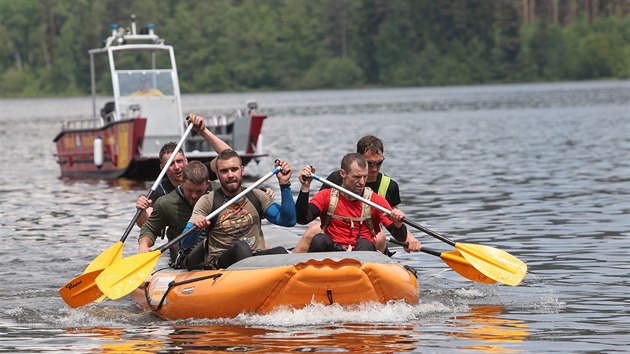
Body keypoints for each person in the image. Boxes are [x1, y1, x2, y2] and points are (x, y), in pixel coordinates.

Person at [293, 135, 421, 254]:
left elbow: (398, 233)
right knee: (319, 238)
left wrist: (399, 225)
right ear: (343, 174)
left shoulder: (377, 199)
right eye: (356, 177)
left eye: (364, 177)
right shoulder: (328, 193)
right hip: (333, 250)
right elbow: (302, 219)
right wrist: (305, 188)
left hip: (362, 253)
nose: (362, 182)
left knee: (368, 242)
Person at [179, 150, 296, 269]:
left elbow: (288, 221)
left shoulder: (257, 196)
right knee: (241, 247)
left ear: (242, 170)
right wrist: (196, 228)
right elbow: (185, 243)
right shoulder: (207, 201)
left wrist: (284, 185)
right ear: (218, 175)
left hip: (256, 256)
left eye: (234, 169)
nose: (230, 175)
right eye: (224, 171)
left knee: (280, 251)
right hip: (221, 262)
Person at [137, 161, 210, 265]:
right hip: (184, 255)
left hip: (213, 252)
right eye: (189, 190)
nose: (194, 196)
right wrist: (143, 245)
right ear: (182, 183)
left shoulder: (216, 194)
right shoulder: (165, 203)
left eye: (199, 191)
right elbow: (150, 229)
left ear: (208, 184)